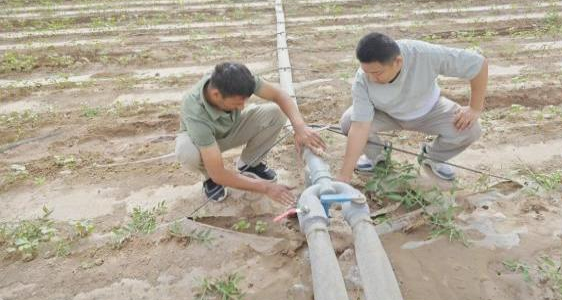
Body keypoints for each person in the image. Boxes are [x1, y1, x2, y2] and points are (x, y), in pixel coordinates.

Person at [337, 32, 488, 183]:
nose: (371, 78)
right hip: (386, 113)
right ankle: (377, 155)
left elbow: (478, 64)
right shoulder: (362, 79)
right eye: (367, 72)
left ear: (398, 62)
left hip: (429, 110)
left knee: (470, 129)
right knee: (348, 123)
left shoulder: (424, 54)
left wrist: (475, 108)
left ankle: (433, 157)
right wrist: (345, 175)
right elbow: (360, 126)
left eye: (377, 73)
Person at [175, 62, 325, 205]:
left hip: (231, 127)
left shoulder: (239, 79)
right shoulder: (195, 111)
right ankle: (209, 179)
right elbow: (218, 172)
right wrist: (266, 188)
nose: (241, 107)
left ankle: (250, 163)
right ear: (216, 95)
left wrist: (300, 128)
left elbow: (279, 95)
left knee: (276, 113)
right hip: (204, 143)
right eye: (237, 103)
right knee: (187, 152)